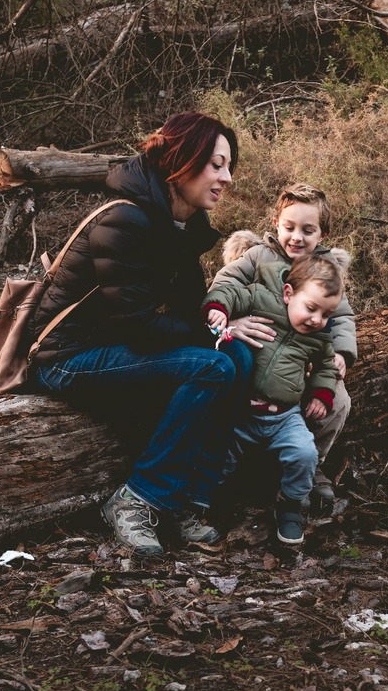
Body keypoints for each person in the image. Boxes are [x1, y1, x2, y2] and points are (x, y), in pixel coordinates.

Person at [29, 112, 253, 557]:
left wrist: (225, 325)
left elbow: (191, 311)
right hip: (68, 359)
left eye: (229, 166)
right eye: (216, 164)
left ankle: (188, 501)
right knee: (210, 366)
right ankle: (138, 499)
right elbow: (142, 326)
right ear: (181, 162)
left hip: (118, 349)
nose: (227, 178)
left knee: (238, 355)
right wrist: (205, 335)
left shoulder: (181, 223)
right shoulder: (125, 220)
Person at [210, 184, 356, 511]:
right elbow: (225, 284)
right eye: (289, 227)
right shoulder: (259, 255)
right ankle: (218, 468)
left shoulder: (326, 269)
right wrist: (228, 320)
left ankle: (310, 465)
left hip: (304, 355)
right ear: (276, 222)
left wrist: (341, 352)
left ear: (323, 233)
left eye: (308, 230)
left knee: (338, 401)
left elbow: (343, 315)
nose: (296, 238)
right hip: (260, 349)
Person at [204, 252, 345, 545]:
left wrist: (321, 394)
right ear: (288, 293)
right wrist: (219, 308)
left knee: (304, 453)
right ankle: (205, 503)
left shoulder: (319, 338)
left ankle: (291, 505)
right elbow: (230, 291)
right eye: (311, 308)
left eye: (327, 314)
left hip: (284, 416)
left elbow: (327, 366)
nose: (317, 319)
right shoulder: (261, 299)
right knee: (219, 453)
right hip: (243, 411)